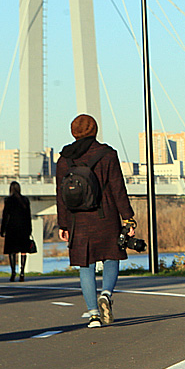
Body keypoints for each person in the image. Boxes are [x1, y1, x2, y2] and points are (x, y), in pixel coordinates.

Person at [55, 114, 135, 329]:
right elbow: (118, 189)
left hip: (77, 219)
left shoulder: (64, 159)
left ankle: (93, 316)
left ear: (73, 132)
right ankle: (106, 294)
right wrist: (128, 218)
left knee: (85, 265)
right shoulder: (107, 155)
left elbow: (60, 195)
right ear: (95, 130)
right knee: (111, 257)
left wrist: (63, 224)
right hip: (105, 216)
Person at [0, 180, 34, 282]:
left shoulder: (8, 200)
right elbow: (28, 216)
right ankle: (22, 272)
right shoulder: (25, 200)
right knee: (23, 251)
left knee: (12, 251)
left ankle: (13, 272)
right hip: (23, 229)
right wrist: (29, 229)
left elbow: (5, 216)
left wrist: (2, 230)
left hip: (12, 229)